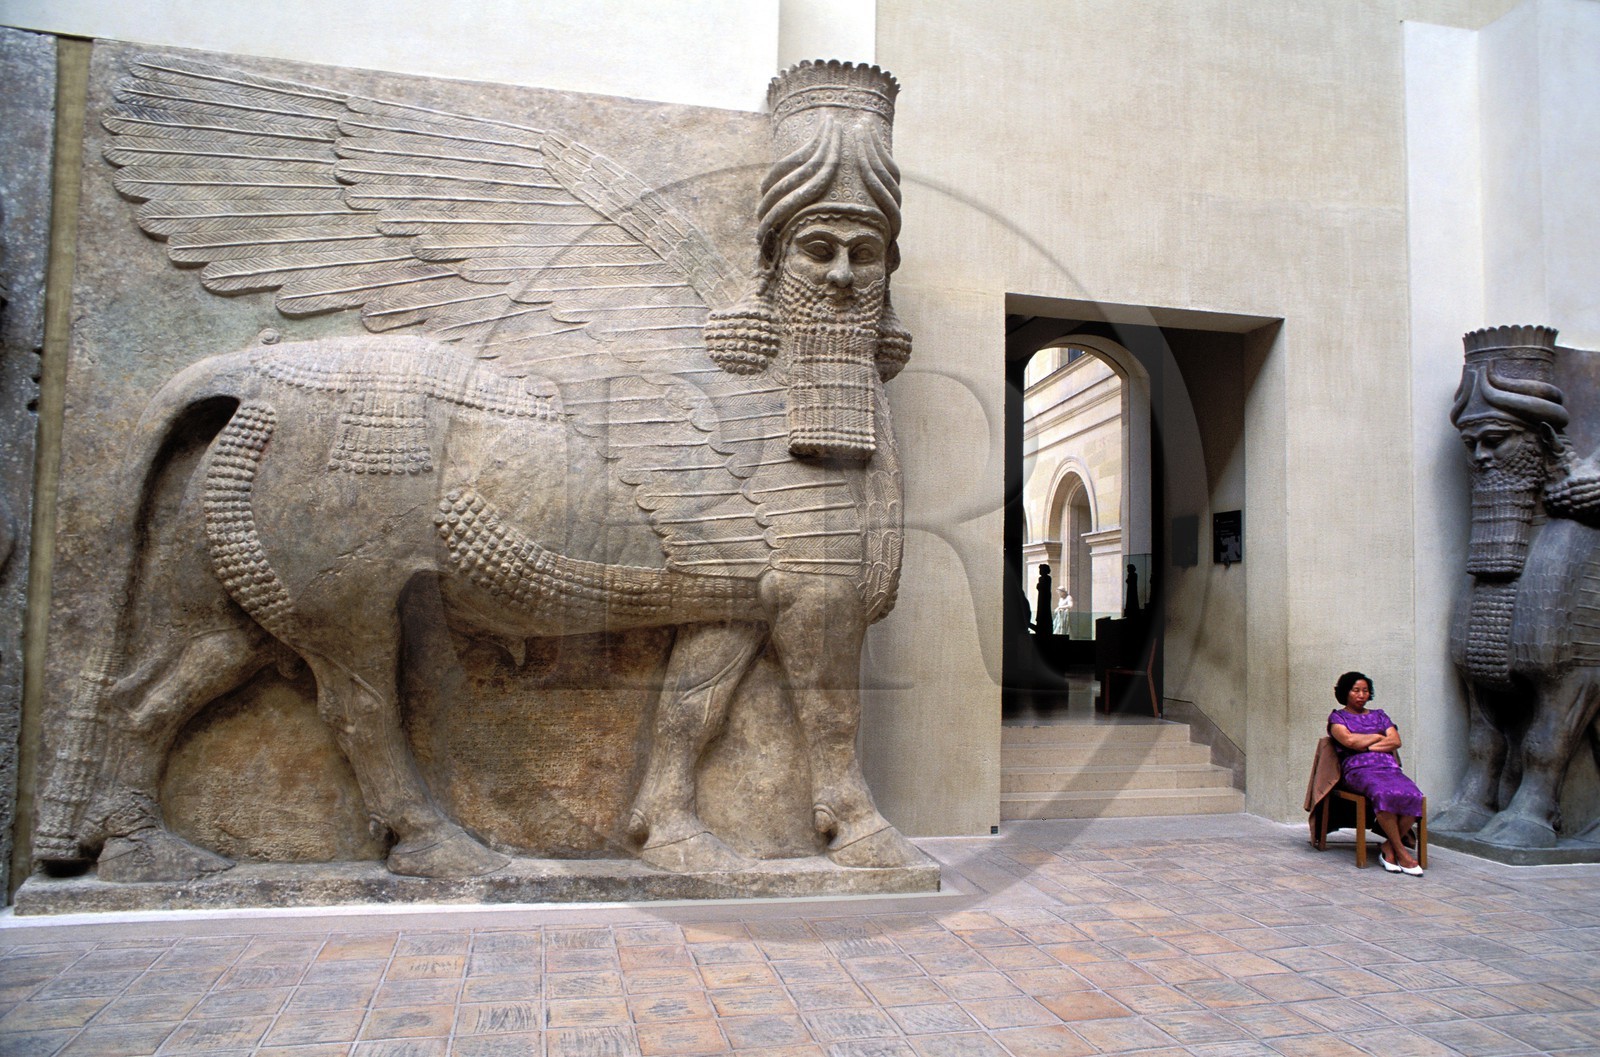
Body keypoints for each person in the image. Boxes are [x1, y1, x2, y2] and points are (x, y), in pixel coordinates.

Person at [1328, 671, 1425, 875]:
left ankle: (1389, 847)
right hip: (1357, 769)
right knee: (1383, 793)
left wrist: (1366, 744)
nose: (1361, 695)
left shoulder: (1380, 715)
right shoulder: (1338, 717)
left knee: (1414, 796)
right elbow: (1350, 742)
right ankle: (1402, 853)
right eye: (1356, 690)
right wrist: (1377, 736)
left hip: (1389, 767)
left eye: (1365, 691)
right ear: (1345, 692)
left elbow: (1395, 741)